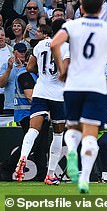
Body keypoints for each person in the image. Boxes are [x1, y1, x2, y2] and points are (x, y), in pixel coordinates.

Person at [50, 0, 107, 194]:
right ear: (102, 9)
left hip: (74, 85)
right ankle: (84, 178)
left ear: (82, 9)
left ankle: (71, 155)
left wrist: (62, 70)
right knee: (90, 134)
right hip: (95, 86)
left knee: (73, 129)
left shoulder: (72, 25)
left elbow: (54, 44)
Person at [15, 23, 69, 185]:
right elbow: (64, 74)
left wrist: (43, 72)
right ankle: (50, 174)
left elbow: (30, 67)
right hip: (58, 95)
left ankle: (22, 158)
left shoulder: (40, 44)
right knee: (58, 134)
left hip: (40, 92)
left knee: (33, 129)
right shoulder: (66, 47)